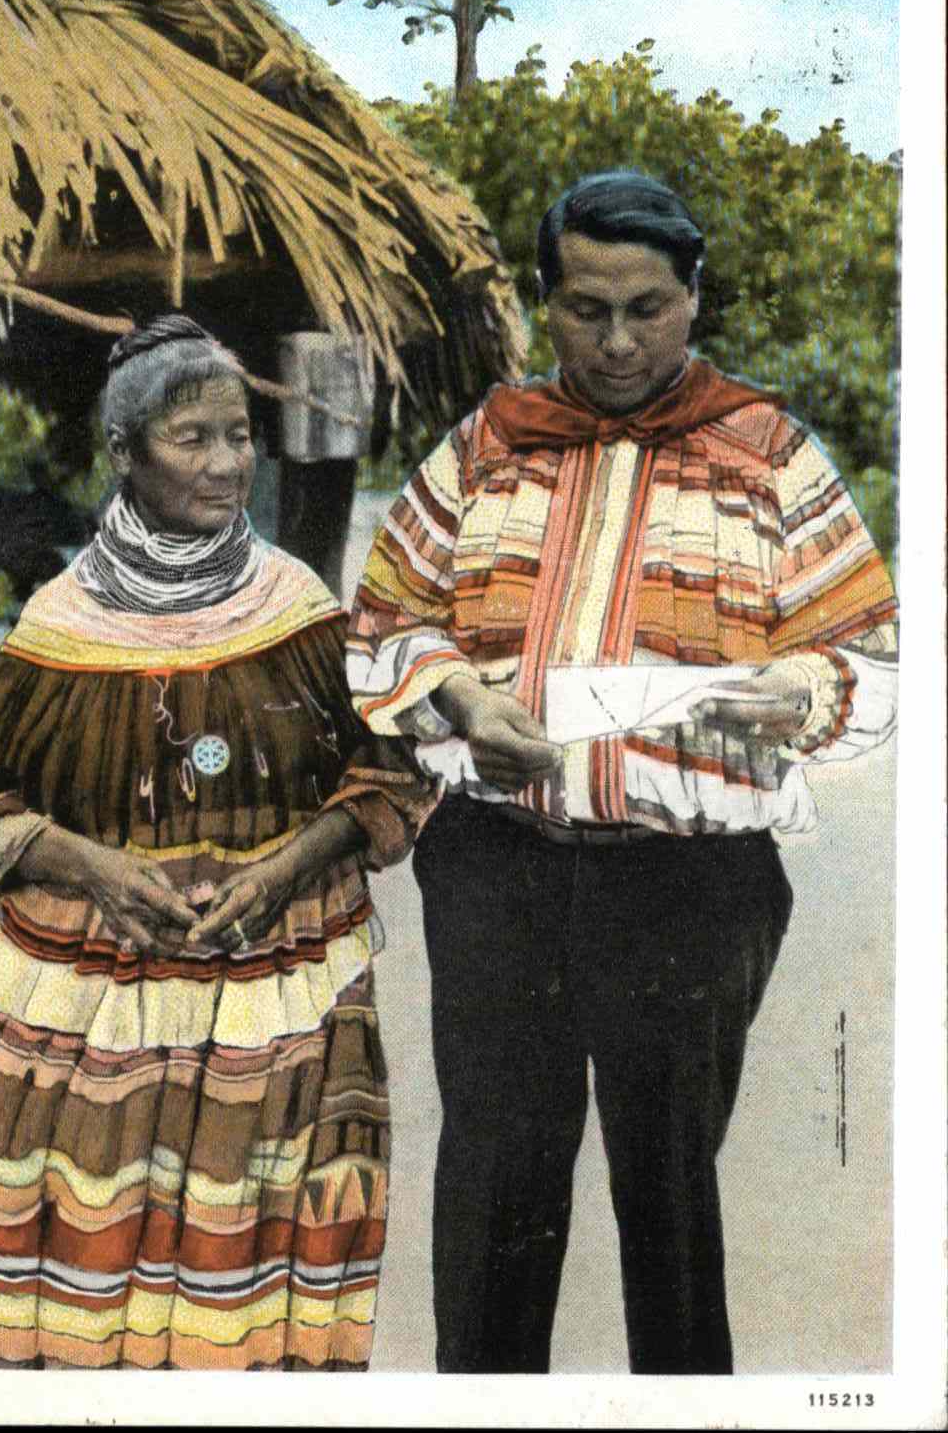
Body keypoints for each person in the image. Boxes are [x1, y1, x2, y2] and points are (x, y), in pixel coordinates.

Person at [346, 171, 898, 1375]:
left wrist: (797, 692)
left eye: (645, 307)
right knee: (495, 1180)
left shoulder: (772, 459)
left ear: (691, 299)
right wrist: (458, 695)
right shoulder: (486, 449)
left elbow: (866, 651)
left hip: (690, 887)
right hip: (498, 871)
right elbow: (379, 621)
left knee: (669, 1195)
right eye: (584, 308)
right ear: (546, 304)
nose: (614, 340)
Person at [0, 315, 436, 1371]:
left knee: (258, 1299)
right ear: (123, 454)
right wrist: (91, 867)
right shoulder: (57, 628)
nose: (225, 466)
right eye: (190, 440)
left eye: (239, 436)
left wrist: (287, 867)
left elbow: (388, 771)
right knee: (88, 1287)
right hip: (97, 1014)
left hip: (282, 1005)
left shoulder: (296, 610)